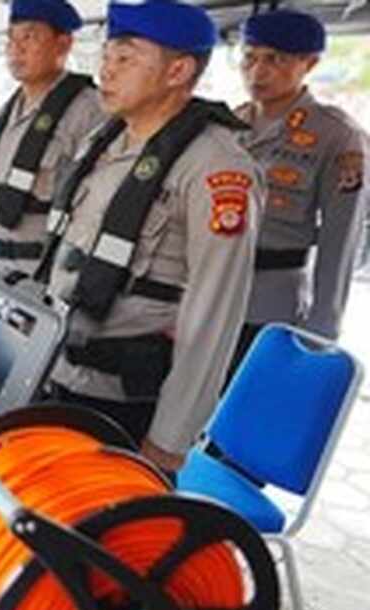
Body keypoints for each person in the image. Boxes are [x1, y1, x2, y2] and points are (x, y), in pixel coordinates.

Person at [41, 0, 263, 474]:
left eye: (126, 58)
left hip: (127, 401)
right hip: (58, 372)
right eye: (106, 57)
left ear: (177, 70)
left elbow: (214, 313)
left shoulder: (216, 168)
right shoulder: (104, 141)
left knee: (111, 538)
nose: (107, 69)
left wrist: (171, 436)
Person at [229, 9, 368, 373]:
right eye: (250, 57)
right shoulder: (230, 123)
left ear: (310, 63)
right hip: (214, 295)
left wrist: (320, 333)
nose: (257, 72)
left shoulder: (337, 136)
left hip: (271, 306)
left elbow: (342, 241)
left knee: (250, 414)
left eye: (276, 60)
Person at [0, 0, 107, 277]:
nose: (16, 48)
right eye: (12, 38)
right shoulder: (8, 107)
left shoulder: (89, 111)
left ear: (63, 44)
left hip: (39, 279)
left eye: (30, 36)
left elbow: (94, 213)